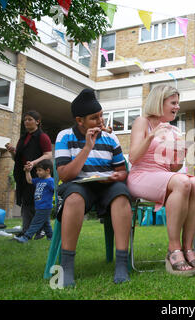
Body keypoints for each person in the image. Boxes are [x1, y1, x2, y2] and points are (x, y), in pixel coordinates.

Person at [55, 88, 132, 287]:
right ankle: (67, 265)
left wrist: (116, 176)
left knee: (121, 195)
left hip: (106, 186)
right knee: (74, 197)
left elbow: (122, 171)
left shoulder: (111, 138)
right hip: (77, 185)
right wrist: (87, 147)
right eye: (94, 118)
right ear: (79, 120)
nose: (100, 121)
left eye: (101, 116)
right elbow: (64, 175)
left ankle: (122, 263)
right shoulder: (64, 136)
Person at [127, 84, 195, 276]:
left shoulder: (173, 130)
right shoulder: (142, 122)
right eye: (173, 102)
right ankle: (173, 249)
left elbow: (172, 168)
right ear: (159, 102)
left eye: (178, 103)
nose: (177, 107)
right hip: (141, 175)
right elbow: (133, 157)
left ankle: (188, 248)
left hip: (164, 175)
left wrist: (181, 155)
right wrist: (152, 135)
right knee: (182, 182)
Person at [5, 111, 52, 236]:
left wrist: (33, 163)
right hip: (23, 174)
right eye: (25, 120)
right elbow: (18, 159)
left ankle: (30, 231)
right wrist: (11, 152)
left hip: (37, 174)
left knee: (31, 202)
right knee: (26, 202)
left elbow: (48, 154)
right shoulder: (23, 137)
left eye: (30, 119)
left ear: (37, 121)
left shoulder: (42, 137)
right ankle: (34, 230)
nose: (26, 122)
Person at [14, 159, 54, 243]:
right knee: (46, 224)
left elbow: (56, 191)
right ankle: (51, 237)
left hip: (45, 207)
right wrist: (27, 172)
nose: (37, 172)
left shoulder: (51, 181)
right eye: (37, 170)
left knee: (35, 223)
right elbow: (29, 180)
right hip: (39, 207)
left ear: (48, 171)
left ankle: (26, 237)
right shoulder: (39, 180)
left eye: (40, 170)